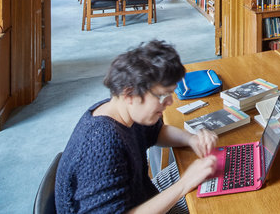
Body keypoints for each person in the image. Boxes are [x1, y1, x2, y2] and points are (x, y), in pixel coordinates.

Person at [55, 40, 217, 214]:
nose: (169, 103)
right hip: (134, 206)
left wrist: (190, 139)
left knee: (213, 170)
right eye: (162, 96)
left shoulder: (120, 110)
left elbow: (156, 132)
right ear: (129, 94)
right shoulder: (102, 145)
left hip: (140, 193)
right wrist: (184, 184)